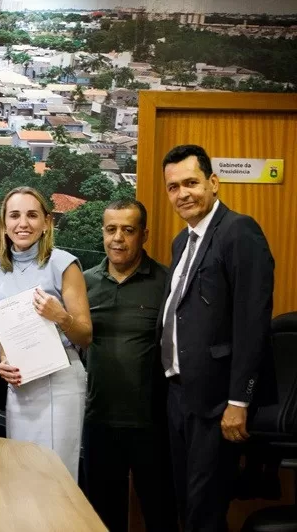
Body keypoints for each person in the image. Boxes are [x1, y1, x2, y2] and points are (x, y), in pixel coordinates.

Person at [160, 144, 276, 532]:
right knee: (186, 504)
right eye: (173, 187)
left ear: (213, 182)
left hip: (216, 403)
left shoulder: (238, 231)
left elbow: (252, 322)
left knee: (203, 512)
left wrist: (239, 400)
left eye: (191, 183)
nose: (182, 194)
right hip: (179, 395)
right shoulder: (182, 241)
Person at [81, 199, 178, 532]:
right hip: (98, 420)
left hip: (153, 424)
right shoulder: (83, 283)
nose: (118, 238)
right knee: (102, 518)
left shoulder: (168, 283)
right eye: (111, 229)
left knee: (161, 512)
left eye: (128, 230)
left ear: (144, 235)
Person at [0, 186, 92, 479]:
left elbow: (85, 336)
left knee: (57, 474)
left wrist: (61, 317)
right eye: (14, 216)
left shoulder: (63, 264)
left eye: (32, 215)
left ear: (47, 223)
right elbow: (3, 330)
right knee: (21, 471)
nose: (23, 223)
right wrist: (4, 362)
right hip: (21, 383)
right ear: (4, 224)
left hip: (61, 381)